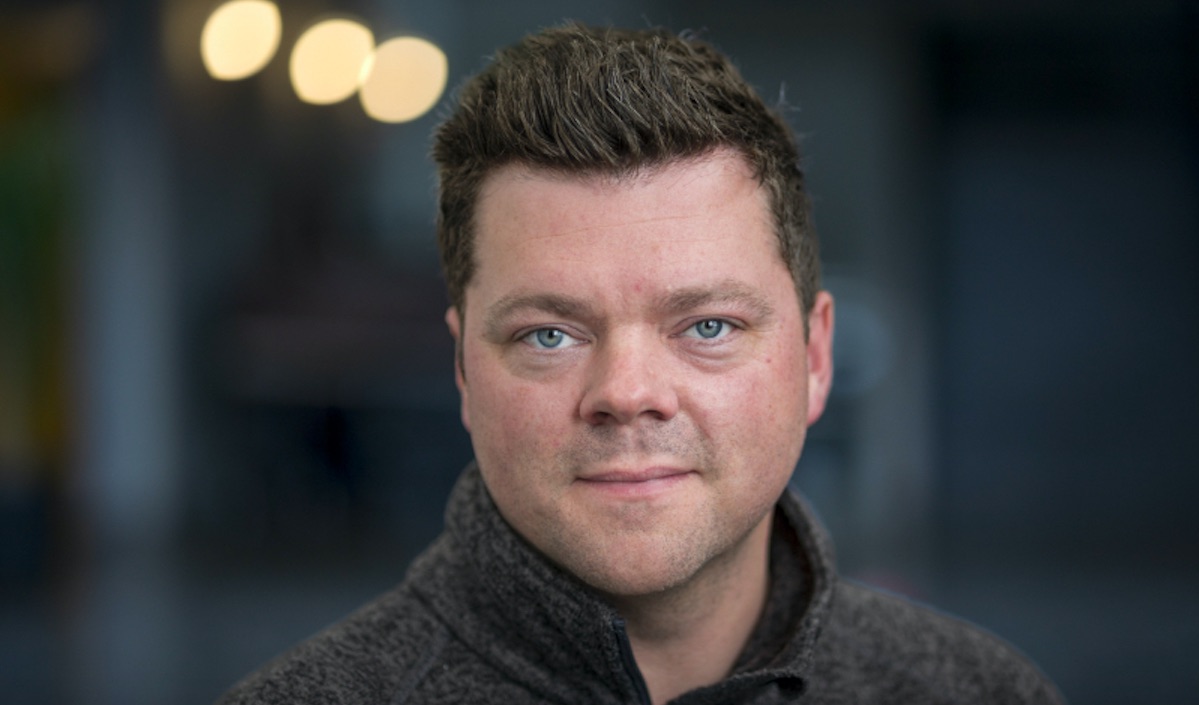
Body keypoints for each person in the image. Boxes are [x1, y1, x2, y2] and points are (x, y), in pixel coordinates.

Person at [217, 23, 1064, 705]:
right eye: (549, 335)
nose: (626, 394)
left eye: (707, 325)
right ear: (463, 370)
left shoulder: (979, 691)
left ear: (814, 355)